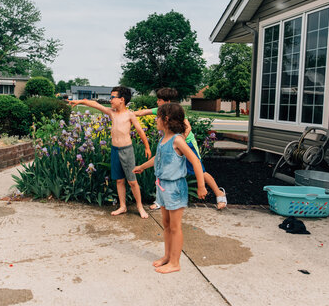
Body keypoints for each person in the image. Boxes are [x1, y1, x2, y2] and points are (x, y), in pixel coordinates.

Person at [133, 103, 207, 273]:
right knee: (166, 224)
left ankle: (175, 262)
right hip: (163, 186)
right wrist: (143, 166)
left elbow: (195, 161)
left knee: (175, 226)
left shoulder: (178, 140)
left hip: (175, 188)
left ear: (166, 119)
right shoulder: (163, 139)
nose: (155, 120)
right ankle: (167, 256)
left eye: (157, 117)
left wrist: (201, 186)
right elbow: (158, 158)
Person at [133, 87, 227, 210]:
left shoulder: (176, 113)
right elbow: (141, 113)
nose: (157, 102)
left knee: (201, 172)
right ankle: (160, 200)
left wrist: (179, 140)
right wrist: (123, 113)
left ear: (167, 102)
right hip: (172, 143)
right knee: (163, 169)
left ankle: (219, 194)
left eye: (159, 100)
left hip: (187, 144)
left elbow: (188, 128)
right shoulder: (160, 111)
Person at [70, 86, 152, 218]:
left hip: (127, 151)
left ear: (122, 100)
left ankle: (140, 207)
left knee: (132, 181)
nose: (110, 100)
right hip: (115, 150)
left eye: (113, 97)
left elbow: (140, 131)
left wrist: (147, 147)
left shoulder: (129, 115)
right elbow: (95, 104)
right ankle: (122, 206)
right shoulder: (111, 112)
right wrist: (80, 101)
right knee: (119, 180)